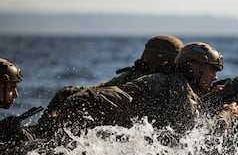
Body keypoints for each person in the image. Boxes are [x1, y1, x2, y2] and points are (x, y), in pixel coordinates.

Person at [34, 34, 184, 139]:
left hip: (118, 122)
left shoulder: (137, 76)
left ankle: (39, 134)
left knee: (67, 94)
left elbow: (102, 89)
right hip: (124, 124)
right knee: (67, 94)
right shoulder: (158, 80)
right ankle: (40, 135)